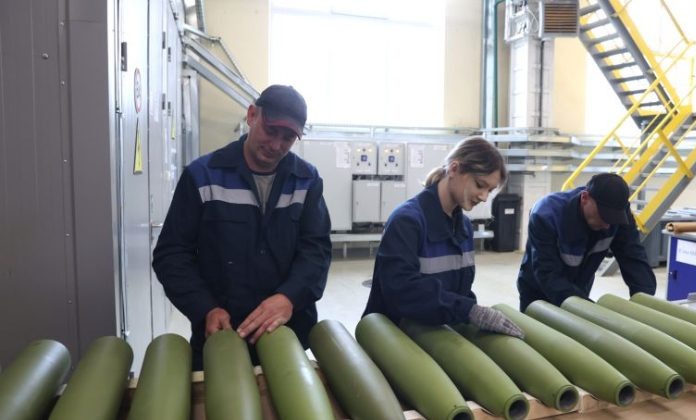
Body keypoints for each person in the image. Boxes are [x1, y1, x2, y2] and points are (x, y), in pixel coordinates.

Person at [153, 85, 332, 370]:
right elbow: (172, 254)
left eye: (287, 138)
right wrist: (205, 308)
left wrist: (289, 297)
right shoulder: (203, 176)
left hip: (285, 331)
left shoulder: (306, 180)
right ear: (251, 115)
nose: (276, 145)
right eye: (271, 130)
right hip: (222, 333)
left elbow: (316, 251)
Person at [363, 136, 523, 338]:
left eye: (489, 191)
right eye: (479, 185)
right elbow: (402, 291)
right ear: (454, 169)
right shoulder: (407, 221)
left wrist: (475, 312)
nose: (483, 197)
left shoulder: (464, 228)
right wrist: (468, 310)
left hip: (437, 333)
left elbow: (458, 292)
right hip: (393, 336)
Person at [517, 172, 656, 311]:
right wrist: (589, 309)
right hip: (538, 292)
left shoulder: (618, 216)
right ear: (585, 198)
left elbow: (633, 257)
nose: (607, 225)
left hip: (578, 288)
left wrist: (644, 303)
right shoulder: (547, 215)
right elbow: (548, 273)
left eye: (612, 219)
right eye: (603, 215)